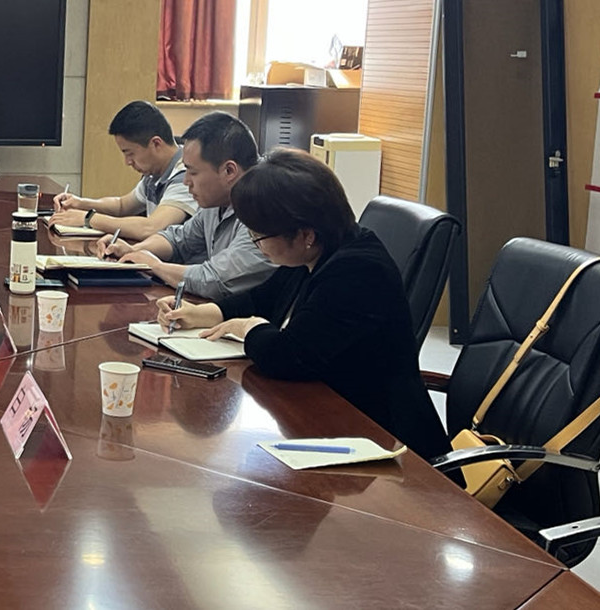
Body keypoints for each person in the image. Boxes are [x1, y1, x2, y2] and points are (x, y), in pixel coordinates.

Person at [155, 149, 448, 460]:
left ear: (305, 234)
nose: (256, 244)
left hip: (382, 442)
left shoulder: (358, 271)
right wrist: (202, 313)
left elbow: (288, 356)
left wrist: (249, 328)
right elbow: (263, 297)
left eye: (259, 236)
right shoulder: (319, 249)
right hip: (331, 413)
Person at [95, 111, 274, 301]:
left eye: (192, 172)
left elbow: (214, 280)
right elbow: (180, 240)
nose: (185, 181)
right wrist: (135, 251)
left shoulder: (264, 209)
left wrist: (155, 266)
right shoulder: (217, 200)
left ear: (229, 171)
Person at [52, 100, 197, 239]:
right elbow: (121, 206)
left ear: (156, 144)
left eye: (130, 153)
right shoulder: (154, 173)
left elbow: (151, 228)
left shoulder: (186, 176)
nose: (127, 162)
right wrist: (79, 203)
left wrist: (88, 218)